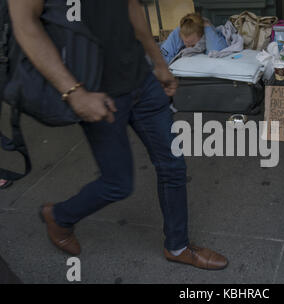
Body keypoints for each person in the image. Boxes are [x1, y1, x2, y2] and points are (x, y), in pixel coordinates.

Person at [8, 0, 228, 271]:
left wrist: (158, 62)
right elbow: (25, 24)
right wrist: (74, 93)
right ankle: (59, 216)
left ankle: (177, 246)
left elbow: (130, 6)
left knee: (173, 165)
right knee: (118, 184)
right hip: (95, 90)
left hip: (142, 79)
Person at [160, 12, 228, 64]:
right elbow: (163, 60)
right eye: (186, 43)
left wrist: (207, 27)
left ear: (202, 36)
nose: (189, 48)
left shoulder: (209, 33)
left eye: (193, 45)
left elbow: (217, 52)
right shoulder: (178, 33)